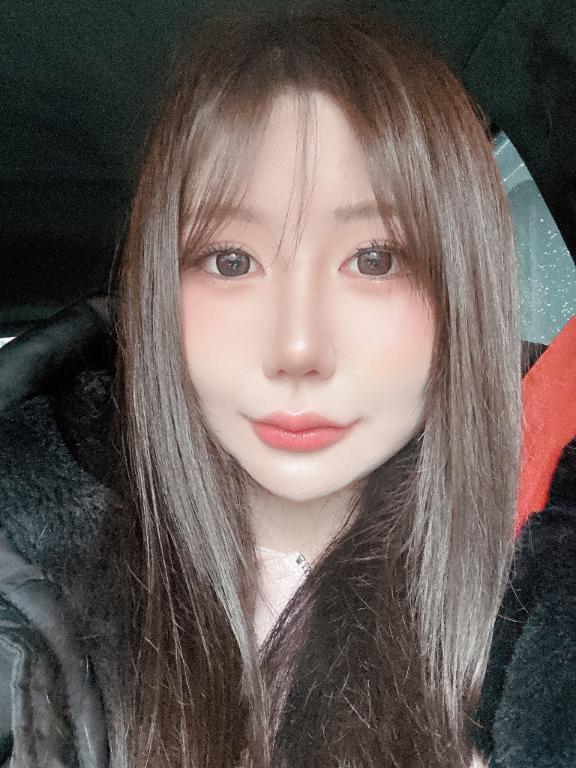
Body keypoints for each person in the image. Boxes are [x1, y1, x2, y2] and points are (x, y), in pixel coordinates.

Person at [0, 2, 575, 767]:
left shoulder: (545, 580)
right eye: (231, 261)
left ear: (460, 289)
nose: (297, 347)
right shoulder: (25, 594)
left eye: (374, 260)